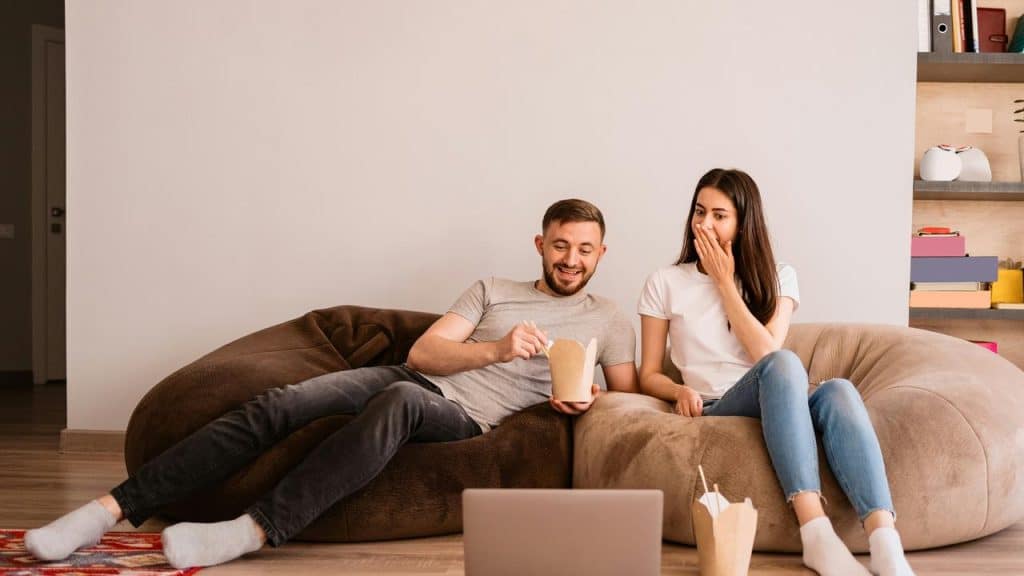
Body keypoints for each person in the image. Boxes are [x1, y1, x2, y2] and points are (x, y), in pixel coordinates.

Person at [27, 198, 638, 569]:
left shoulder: (606, 319)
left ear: (602, 253)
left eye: (584, 249)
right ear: (540, 243)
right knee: (282, 401)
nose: (570, 259)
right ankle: (104, 511)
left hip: (465, 419)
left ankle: (254, 530)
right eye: (560, 244)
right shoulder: (493, 291)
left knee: (398, 401)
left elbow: (624, 391)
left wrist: (584, 399)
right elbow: (425, 354)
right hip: (412, 376)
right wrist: (497, 349)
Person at [636, 169, 914, 576]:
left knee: (838, 389)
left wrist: (725, 284)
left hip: (779, 397)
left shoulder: (780, 275)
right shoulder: (665, 282)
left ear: (743, 223)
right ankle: (815, 533)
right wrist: (677, 389)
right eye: (700, 212)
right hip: (719, 404)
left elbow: (765, 352)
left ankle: (886, 542)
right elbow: (647, 374)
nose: (705, 225)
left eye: (719, 215)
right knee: (785, 364)